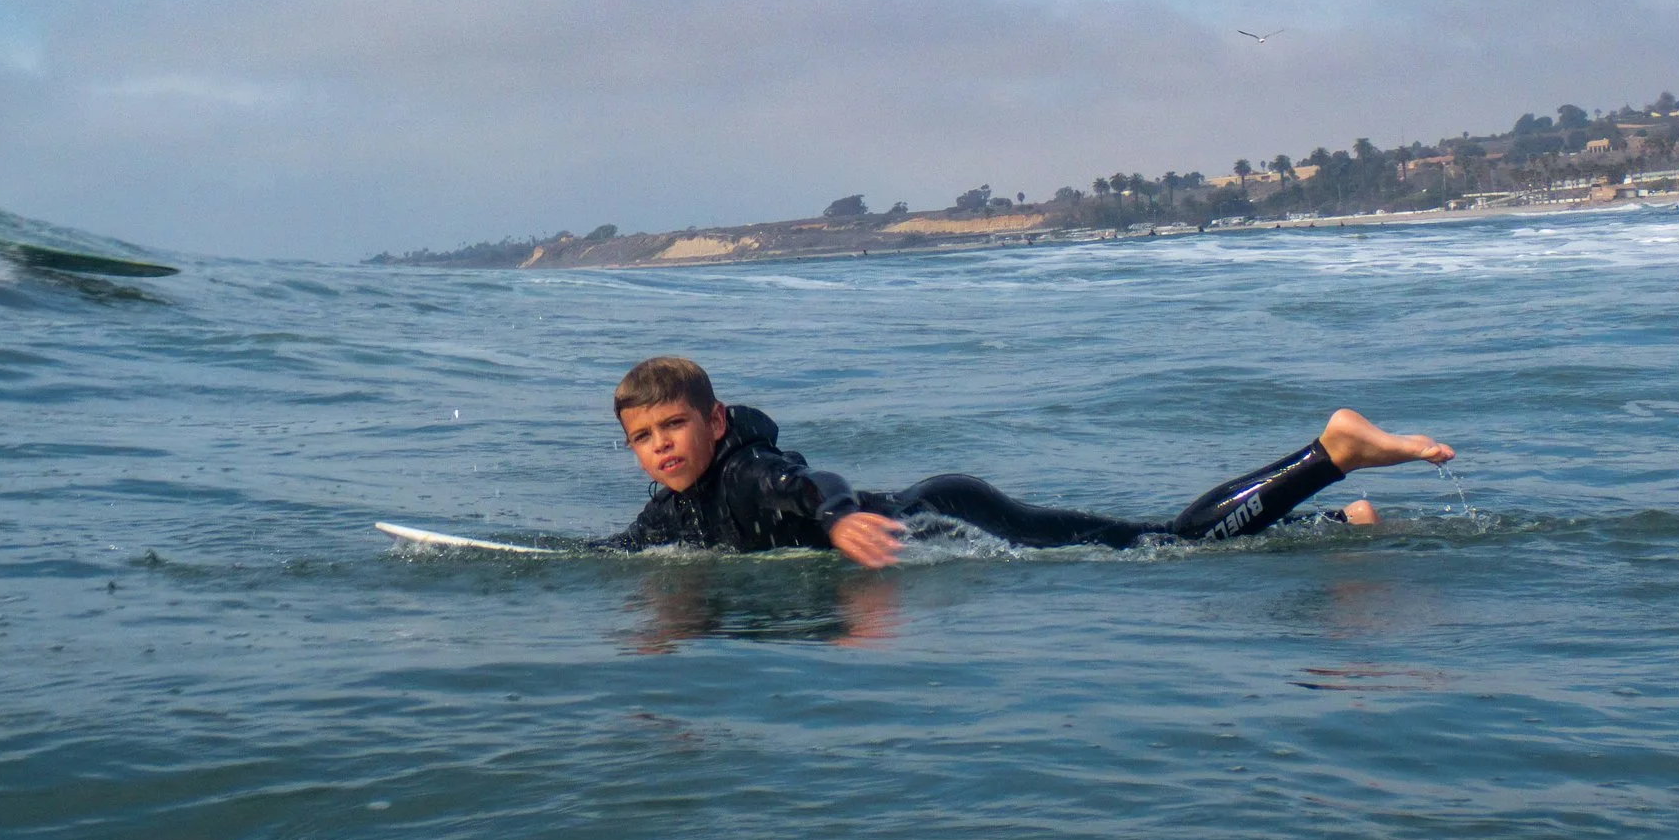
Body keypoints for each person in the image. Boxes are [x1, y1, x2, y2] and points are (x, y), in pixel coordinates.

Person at [603, 356, 1453, 568]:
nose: (663, 446)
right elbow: (624, 551)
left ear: (716, 419)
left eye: (675, 425)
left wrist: (834, 518)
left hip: (954, 511)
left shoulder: (746, 470)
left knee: (1167, 544)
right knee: (1157, 536)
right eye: (645, 437)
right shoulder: (678, 505)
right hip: (931, 504)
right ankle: (1341, 518)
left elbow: (805, 481)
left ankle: (1332, 453)